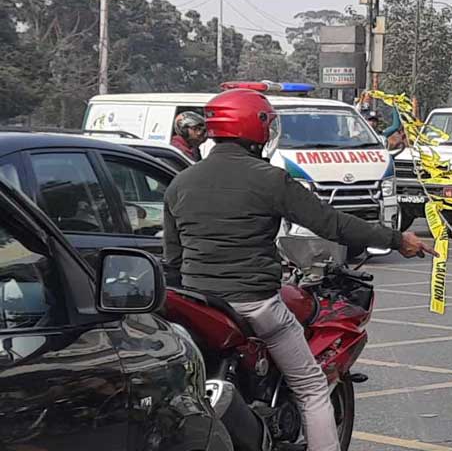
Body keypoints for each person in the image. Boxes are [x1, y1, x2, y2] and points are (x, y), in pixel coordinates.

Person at [162, 88, 433, 451]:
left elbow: (173, 259)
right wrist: (398, 239)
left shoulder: (180, 183)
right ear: (255, 128)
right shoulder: (270, 179)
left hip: (198, 308)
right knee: (311, 387)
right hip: (255, 306)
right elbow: (332, 223)